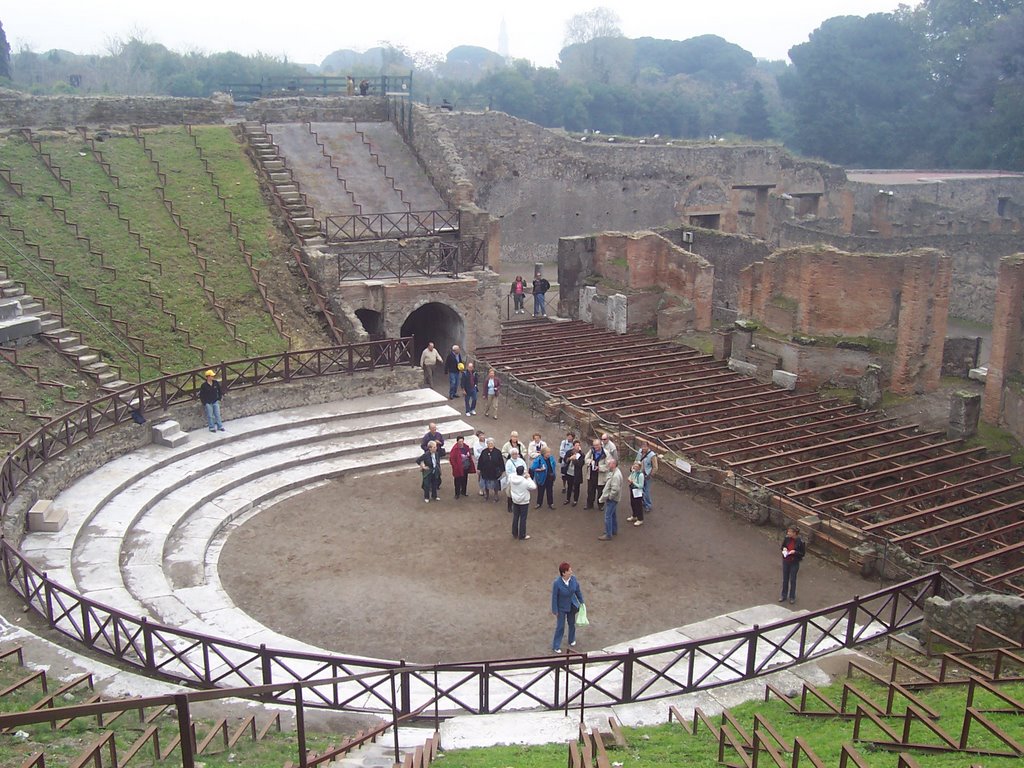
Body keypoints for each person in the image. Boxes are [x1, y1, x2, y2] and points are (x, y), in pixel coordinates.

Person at [551, 562, 584, 653]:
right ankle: (556, 646)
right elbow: (554, 597)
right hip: (561, 608)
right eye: (569, 570)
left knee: (572, 623)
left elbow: (578, 591)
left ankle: (571, 639)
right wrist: (555, 609)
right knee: (560, 626)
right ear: (564, 573)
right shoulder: (557, 583)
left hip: (571, 606)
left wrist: (582, 602)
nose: (571, 571)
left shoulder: (573, 579)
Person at [508, 465, 537, 540]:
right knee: (523, 519)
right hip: (524, 502)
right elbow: (534, 486)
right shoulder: (525, 481)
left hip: (515, 500)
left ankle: (514, 533)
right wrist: (529, 478)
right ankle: (522, 535)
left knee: (515, 517)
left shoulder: (511, 479)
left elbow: (511, 475)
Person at [780, 525, 806, 604]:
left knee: (793, 580)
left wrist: (795, 552)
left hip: (794, 562)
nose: (788, 533)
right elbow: (783, 546)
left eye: (790, 532)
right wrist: (784, 548)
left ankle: (792, 597)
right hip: (786, 561)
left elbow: (802, 553)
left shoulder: (801, 542)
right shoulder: (787, 538)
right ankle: (783, 595)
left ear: (795, 533)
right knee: (785, 579)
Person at [598, 458, 622, 541]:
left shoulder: (616, 476)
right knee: (613, 514)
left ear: (614, 464)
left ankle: (608, 534)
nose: (608, 464)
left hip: (612, 499)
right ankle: (614, 530)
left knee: (608, 516)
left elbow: (615, 489)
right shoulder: (615, 472)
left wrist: (609, 497)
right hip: (614, 499)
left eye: (610, 463)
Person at [583, 438, 608, 510]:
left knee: (600, 492)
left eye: (597, 445)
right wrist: (590, 461)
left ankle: (600, 505)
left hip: (600, 476)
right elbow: (586, 459)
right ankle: (589, 504)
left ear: (601, 445)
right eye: (594, 445)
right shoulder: (591, 451)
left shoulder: (605, 453)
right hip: (591, 475)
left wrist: (599, 468)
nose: (595, 447)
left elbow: (608, 466)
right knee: (590, 491)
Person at [477, 437, 504, 502]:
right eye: (489, 443)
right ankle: (487, 494)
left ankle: (496, 494)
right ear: (487, 444)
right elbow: (480, 461)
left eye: (492, 443)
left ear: (494, 444)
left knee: (495, 484)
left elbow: (501, 461)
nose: (490, 445)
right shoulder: (484, 452)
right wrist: (479, 469)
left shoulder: (498, 452)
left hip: (495, 471)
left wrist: (502, 470)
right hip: (485, 471)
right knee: (486, 483)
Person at [636, 439, 659, 515]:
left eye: (645, 446)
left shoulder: (652, 455)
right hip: (639, 474)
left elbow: (655, 467)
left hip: (647, 475)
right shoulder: (640, 452)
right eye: (642, 446)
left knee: (647, 491)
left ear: (648, 447)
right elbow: (636, 460)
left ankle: (648, 505)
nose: (643, 448)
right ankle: (643, 502)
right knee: (640, 489)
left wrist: (650, 474)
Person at [504, 447, 527, 513]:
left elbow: (525, 468)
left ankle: (518, 506)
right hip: (512, 481)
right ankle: (509, 506)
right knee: (510, 494)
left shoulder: (521, 460)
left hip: (521, 480)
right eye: (513, 454)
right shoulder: (509, 462)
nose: (515, 455)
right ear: (511, 454)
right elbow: (508, 472)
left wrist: (523, 475)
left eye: (516, 454)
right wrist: (516, 475)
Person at [562, 439, 584, 506]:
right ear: (573, 446)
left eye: (578, 445)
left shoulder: (581, 455)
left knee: (576, 487)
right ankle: (568, 499)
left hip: (576, 474)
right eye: (576, 445)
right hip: (569, 472)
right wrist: (569, 459)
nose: (577, 447)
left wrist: (575, 460)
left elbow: (581, 465)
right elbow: (565, 460)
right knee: (569, 486)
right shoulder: (569, 452)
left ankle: (575, 500)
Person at [626, 461, 646, 526]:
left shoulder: (641, 475)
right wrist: (629, 479)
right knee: (633, 503)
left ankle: (640, 519)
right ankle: (634, 515)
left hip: (638, 491)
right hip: (632, 489)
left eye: (636, 466)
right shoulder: (633, 472)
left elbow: (641, 486)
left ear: (639, 467)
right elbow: (630, 477)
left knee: (638, 505)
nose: (635, 467)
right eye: (634, 466)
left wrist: (633, 482)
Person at [471, 430, 487, 495]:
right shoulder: (476, 444)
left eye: (483, 435)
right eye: (480, 436)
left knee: (487, 475)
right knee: (480, 475)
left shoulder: (487, 441)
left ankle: (486, 488)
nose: (482, 436)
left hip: (487, 462)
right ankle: (481, 488)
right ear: (478, 437)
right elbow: (476, 454)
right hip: (480, 462)